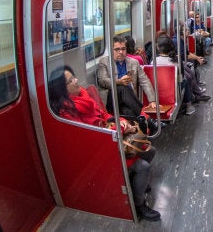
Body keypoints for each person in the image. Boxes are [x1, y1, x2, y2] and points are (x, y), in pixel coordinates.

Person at [48, 66, 161, 221]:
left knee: (150, 150)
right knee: (143, 166)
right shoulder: (66, 113)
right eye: (70, 81)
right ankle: (139, 204)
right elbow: (90, 136)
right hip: (97, 149)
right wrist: (119, 130)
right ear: (63, 90)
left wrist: (121, 122)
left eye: (73, 77)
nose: (76, 81)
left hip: (109, 136)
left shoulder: (83, 96)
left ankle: (135, 184)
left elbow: (104, 115)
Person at [97, 35, 157, 117]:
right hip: (112, 99)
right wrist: (119, 81)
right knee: (122, 88)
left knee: (129, 112)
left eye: (123, 49)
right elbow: (102, 81)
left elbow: (145, 81)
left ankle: (144, 122)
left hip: (129, 100)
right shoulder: (104, 62)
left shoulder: (134, 63)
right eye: (117, 49)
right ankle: (145, 116)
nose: (121, 52)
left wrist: (152, 101)